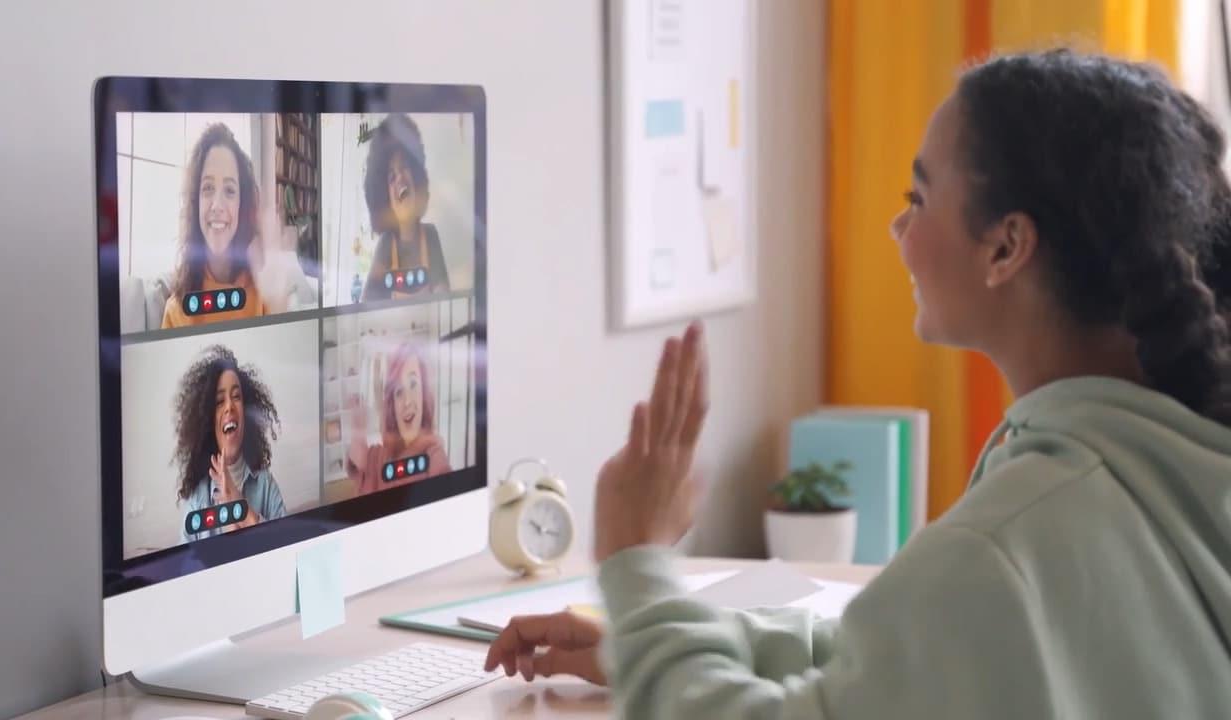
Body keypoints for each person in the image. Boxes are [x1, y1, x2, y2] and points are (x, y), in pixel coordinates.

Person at [484, 49, 1231, 718]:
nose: (897, 231)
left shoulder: (1003, 544)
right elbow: (929, 653)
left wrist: (633, 564)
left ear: (1006, 246)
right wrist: (669, 637)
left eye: (918, 199)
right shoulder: (1167, 472)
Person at [161, 123, 269, 328]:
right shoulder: (175, 310)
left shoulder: (264, 292)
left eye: (229, 190)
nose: (217, 205)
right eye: (208, 188)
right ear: (195, 202)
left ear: (242, 204)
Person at [174, 345, 287, 540]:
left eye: (236, 397)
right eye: (219, 401)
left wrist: (239, 505)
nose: (229, 407)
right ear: (208, 420)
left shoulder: (265, 484)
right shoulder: (197, 502)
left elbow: (287, 546)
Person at [360, 113, 451, 302]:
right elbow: (367, 308)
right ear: (385, 199)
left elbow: (445, 298)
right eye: (392, 177)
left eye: (405, 168)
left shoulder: (431, 235)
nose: (400, 178)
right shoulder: (386, 244)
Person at [346, 340, 451, 495]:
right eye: (399, 391)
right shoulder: (381, 453)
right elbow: (361, 460)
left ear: (424, 393)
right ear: (393, 406)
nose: (407, 401)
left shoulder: (434, 456)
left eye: (413, 384)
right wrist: (358, 434)